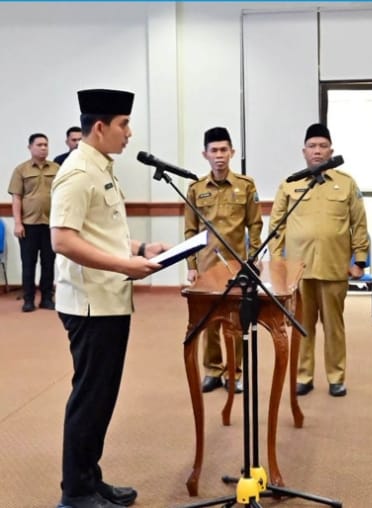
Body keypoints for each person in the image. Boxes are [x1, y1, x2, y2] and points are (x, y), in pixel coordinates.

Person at [50, 88, 167, 508]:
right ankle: (75, 493)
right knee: (90, 397)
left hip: (107, 298)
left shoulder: (100, 165)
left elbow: (99, 232)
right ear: (99, 127)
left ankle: (89, 478)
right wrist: (124, 266)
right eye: (124, 124)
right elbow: (63, 240)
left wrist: (140, 249)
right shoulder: (78, 171)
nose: (129, 133)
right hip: (90, 304)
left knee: (101, 398)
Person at [269, 123, 369, 397]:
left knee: (334, 326)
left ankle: (336, 377)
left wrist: (360, 260)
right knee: (302, 325)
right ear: (303, 151)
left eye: (322, 146)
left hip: (334, 267)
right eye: (312, 146)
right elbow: (276, 226)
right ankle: (304, 376)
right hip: (298, 270)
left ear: (331, 151)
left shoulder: (346, 183)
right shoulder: (290, 184)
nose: (317, 151)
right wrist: (277, 262)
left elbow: (359, 224)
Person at [184, 127, 263, 393]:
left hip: (237, 266)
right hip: (207, 266)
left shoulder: (246, 185)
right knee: (210, 322)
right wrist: (192, 266)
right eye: (214, 151)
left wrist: (253, 260)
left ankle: (235, 371)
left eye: (224, 150)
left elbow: (255, 225)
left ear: (232, 152)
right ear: (205, 154)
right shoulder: (195, 189)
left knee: (237, 321)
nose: (219, 155)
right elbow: (190, 231)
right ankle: (213, 370)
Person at [7, 133, 60, 312]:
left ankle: (47, 298)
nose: (43, 148)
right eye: (39, 145)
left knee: (48, 263)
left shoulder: (56, 168)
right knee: (28, 264)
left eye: (46, 144)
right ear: (30, 147)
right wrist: (17, 223)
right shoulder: (21, 170)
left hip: (51, 224)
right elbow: (16, 197)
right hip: (28, 224)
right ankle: (28, 299)